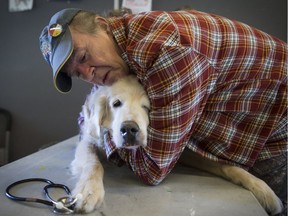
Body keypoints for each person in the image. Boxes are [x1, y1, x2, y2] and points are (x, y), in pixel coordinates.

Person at [39, 8, 287, 214]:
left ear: (104, 26)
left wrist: (109, 136)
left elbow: (153, 168)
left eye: (83, 56)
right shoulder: (111, 61)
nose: (88, 74)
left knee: (272, 208)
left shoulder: (165, 52)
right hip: (236, 126)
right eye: (76, 73)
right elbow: (88, 118)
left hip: (275, 119)